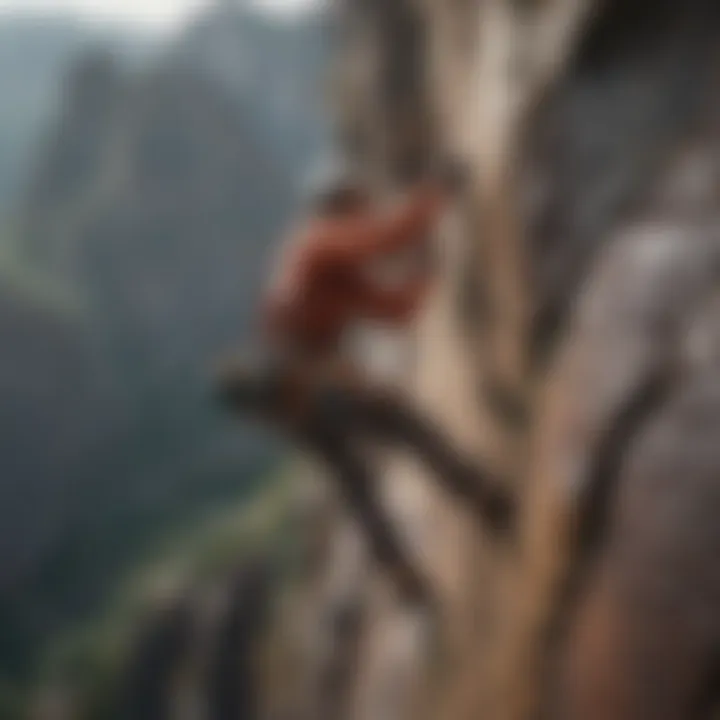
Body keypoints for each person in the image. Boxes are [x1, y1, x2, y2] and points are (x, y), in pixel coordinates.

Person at [215, 160, 513, 606]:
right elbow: (384, 238)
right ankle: (482, 496)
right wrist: (437, 195)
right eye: (358, 201)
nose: (366, 207)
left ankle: (401, 575)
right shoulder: (321, 239)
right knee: (406, 425)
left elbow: (394, 309)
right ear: (339, 204)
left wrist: (428, 269)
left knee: (356, 483)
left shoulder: (314, 260)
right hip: (312, 384)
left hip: (294, 402)